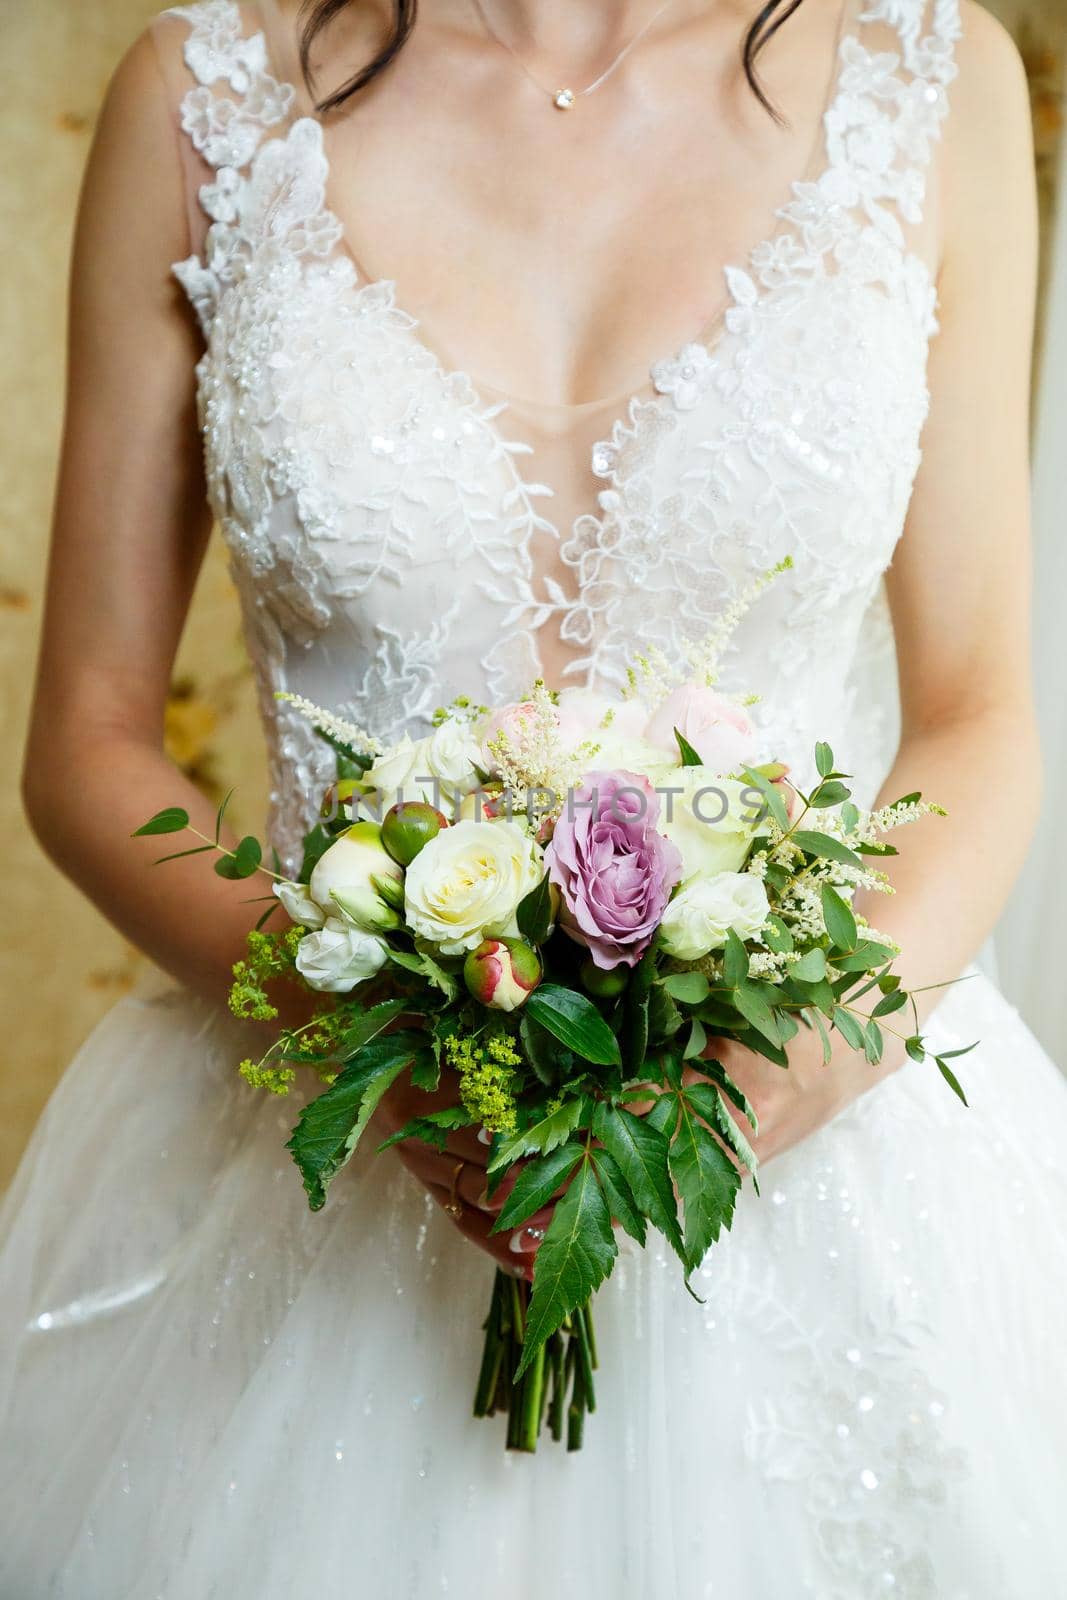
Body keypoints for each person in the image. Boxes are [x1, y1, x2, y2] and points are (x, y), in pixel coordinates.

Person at [3, 0, 1065, 1592]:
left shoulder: (933, 82)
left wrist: (802, 1060)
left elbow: (979, 715)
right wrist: (360, 1026)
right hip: (322, 1144)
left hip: (825, 1150)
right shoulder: (200, 96)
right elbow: (87, 740)